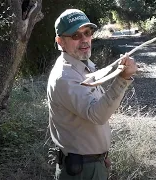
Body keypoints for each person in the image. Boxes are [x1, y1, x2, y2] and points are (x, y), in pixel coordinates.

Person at [47, 9, 137, 180]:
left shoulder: (84, 65)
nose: (84, 40)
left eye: (87, 33)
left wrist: (100, 157)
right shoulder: (65, 77)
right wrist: (123, 78)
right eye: (75, 35)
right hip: (81, 171)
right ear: (60, 41)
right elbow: (97, 115)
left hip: (91, 164)